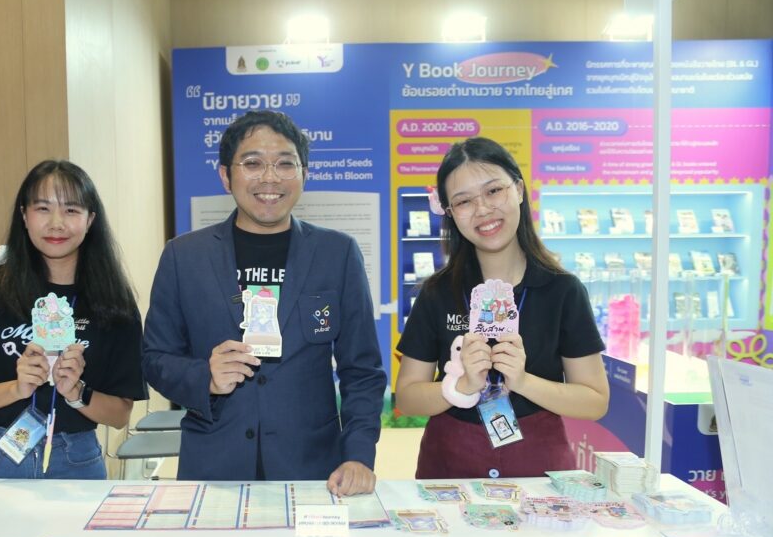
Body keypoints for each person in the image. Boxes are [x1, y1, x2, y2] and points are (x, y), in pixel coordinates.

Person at [142, 110, 386, 495]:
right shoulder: (183, 256)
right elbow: (156, 358)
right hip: (213, 466)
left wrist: (358, 454)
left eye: (285, 164)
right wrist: (205, 377)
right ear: (226, 176)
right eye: (253, 163)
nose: (270, 178)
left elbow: (363, 370)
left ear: (304, 174)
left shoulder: (336, 253)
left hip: (312, 467)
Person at [394, 137, 608, 479]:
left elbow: (595, 400)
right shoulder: (436, 293)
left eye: (494, 191)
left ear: (519, 189)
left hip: (539, 470)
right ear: (450, 212)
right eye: (464, 201)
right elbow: (407, 397)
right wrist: (461, 386)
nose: (482, 210)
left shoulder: (562, 291)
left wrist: (522, 381)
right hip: (450, 466)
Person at [0, 160, 146, 479]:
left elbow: (120, 414)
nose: (56, 224)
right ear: (24, 215)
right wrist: (17, 388)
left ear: (90, 219)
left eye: (71, 210)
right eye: (43, 208)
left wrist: (76, 392)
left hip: (75, 457)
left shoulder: (112, 301)